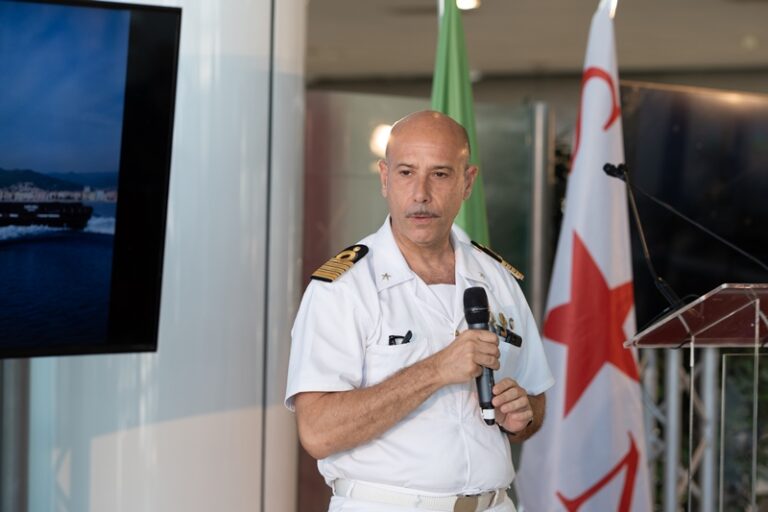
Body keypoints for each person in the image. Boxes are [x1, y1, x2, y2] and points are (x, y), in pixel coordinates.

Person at [285, 110, 554, 512]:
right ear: (385, 178)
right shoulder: (343, 288)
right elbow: (318, 432)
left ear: (467, 182)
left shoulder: (498, 279)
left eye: (440, 174)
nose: (421, 193)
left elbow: (534, 400)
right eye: (407, 173)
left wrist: (522, 415)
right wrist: (437, 370)